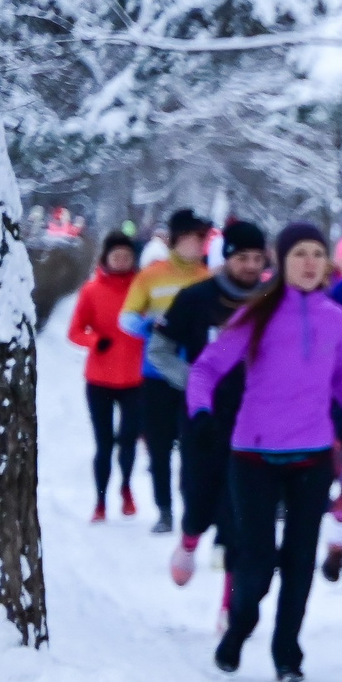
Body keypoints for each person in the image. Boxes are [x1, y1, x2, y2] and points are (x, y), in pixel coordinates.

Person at [187, 221, 342, 682]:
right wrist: (201, 414)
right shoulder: (257, 314)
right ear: (282, 262)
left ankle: (287, 650)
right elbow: (206, 369)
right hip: (254, 455)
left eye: (317, 254)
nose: (309, 263)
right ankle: (240, 626)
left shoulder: (335, 317)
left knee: (299, 559)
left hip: (312, 455)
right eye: (299, 254)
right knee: (257, 560)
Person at [161, 226, 274, 585]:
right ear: (226, 258)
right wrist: (195, 382)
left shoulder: (271, 301)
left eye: (257, 259)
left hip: (253, 417)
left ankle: (230, 601)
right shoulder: (196, 298)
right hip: (204, 416)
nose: (251, 266)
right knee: (199, 494)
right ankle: (190, 537)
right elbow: (160, 350)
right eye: (242, 258)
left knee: (239, 508)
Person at [121, 207, 213, 531]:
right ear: (175, 239)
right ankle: (164, 510)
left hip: (195, 375)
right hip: (156, 374)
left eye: (200, 238)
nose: (197, 244)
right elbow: (126, 318)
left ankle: (191, 510)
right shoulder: (151, 275)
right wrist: (150, 324)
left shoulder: (208, 277)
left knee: (192, 447)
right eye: (191, 237)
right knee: (159, 446)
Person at [67, 228, 146, 522]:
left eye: (127, 256)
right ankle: (100, 501)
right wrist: (95, 340)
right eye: (117, 256)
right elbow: (75, 331)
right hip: (99, 380)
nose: (122, 260)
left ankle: (126, 488)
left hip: (135, 380)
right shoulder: (91, 290)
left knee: (128, 440)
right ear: (106, 258)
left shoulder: (142, 289)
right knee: (103, 443)